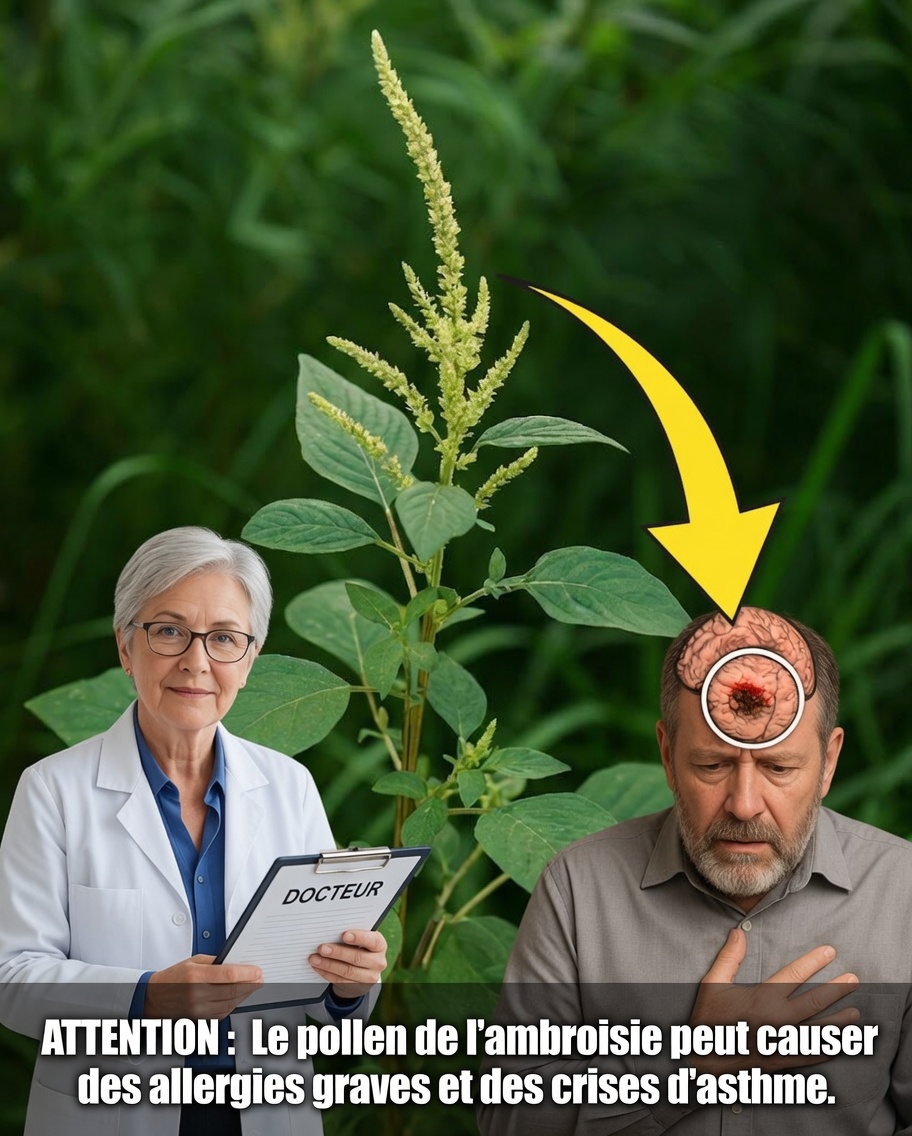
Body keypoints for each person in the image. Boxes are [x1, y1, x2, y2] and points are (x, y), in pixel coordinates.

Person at [0, 527, 387, 1136]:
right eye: (169, 630)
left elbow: (320, 1007)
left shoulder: (291, 787)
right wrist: (146, 997)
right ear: (126, 647)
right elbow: (13, 979)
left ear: (250, 659)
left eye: (224, 638)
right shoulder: (52, 791)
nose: (197, 661)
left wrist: (346, 987)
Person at [477, 607, 912, 1135]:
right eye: (713, 765)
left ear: (828, 761)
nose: (745, 804)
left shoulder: (902, 893)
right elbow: (508, 1119)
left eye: (778, 767)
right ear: (666, 754)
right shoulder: (579, 887)